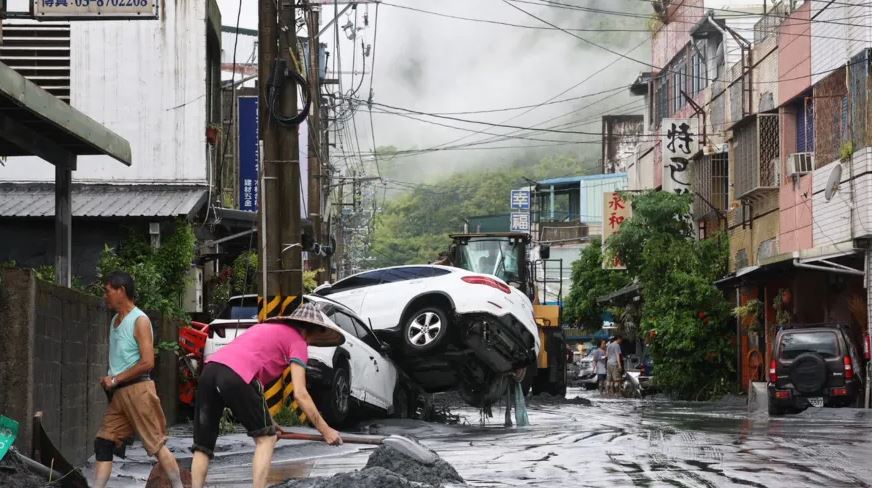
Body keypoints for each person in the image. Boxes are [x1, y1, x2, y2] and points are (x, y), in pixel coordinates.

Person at [191, 301, 345, 488]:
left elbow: (255, 392)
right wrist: (326, 431)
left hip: (210, 371)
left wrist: (269, 423)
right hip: (236, 376)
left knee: (203, 446)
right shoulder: (298, 342)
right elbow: (300, 394)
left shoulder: (264, 328)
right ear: (315, 331)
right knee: (266, 439)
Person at [94, 271, 183, 488]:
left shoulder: (139, 320)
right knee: (104, 442)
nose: (105, 296)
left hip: (138, 391)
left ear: (121, 291)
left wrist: (115, 379)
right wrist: (113, 379)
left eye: (108, 291)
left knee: (156, 445)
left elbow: (147, 362)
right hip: (119, 395)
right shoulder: (115, 321)